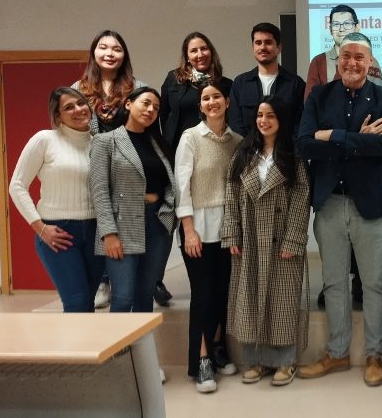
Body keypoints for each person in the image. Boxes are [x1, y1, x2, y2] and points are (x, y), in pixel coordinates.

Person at [297, 32, 382, 387]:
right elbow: (304, 144)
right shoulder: (319, 96)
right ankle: (337, 352)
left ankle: (374, 355)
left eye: (359, 57)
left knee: (373, 284)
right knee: (334, 283)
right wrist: (359, 137)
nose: (352, 63)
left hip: (370, 205)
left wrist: (333, 135)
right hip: (329, 203)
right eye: (346, 56)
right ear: (337, 60)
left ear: (370, 62)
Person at [221, 95, 311, 387]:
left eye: (271, 115)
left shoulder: (293, 157)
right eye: (260, 115)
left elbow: (301, 200)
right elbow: (231, 196)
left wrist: (293, 240)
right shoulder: (243, 154)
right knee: (248, 298)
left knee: (281, 302)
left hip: (281, 238)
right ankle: (255, 360)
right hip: (248, 237)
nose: (264, 121)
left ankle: (285, 361)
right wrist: (231, 233)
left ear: (281, 120)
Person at [72, 30, 150, 308]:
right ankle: (103, 279)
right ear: (93, 52)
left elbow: (146, 128)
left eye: (116, 49)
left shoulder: (137, 87)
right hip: (91, 165)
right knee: (99, 220)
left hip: (127, 168)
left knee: (126, 226)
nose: (109, 53)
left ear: (124, 54)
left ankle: (129, 281)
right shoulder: (78, 89)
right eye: (103, 47)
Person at [8, 87, 104, 312]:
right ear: (58, 116)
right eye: (68, 107)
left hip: (95, 231)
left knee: (88, 303)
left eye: (80, 103)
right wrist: (40, 228)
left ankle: (84, 338)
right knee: (77, 302)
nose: (78, 109)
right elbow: (17, 185)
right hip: (58, 232)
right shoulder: (45, 140)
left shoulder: (99, 143)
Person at [174, 82, 242, 393]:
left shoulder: (236, 141)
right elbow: (182, 186)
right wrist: (188, 229)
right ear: (200, 106)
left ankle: (216, 348)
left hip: (227, 228)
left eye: (216, 97)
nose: (211, 102)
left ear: (227, 101)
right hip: (197, 228)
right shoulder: (190, 137)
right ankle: (200, 360)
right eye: (205, 98)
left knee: (222, 292)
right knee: (202, 295)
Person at [88, 87, 176, 313]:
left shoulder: (158, 143)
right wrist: (108, 234)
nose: (151, 110)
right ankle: (119, 339)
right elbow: (99, 190)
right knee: (123, 296)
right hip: (121, 225)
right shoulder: (105, 141)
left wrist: (167, 210)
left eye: (156, 108)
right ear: (128, 104)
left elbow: (169, 183)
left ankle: (142, 338)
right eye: (146, 103)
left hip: (156, 223)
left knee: (145, 294)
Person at [228, 22, 305, 139]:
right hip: (249, 149)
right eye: (258, 43)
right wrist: (250, 147)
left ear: (279, 48)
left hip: (286, 149)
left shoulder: (295, 84)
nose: (263, 47)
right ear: (253, 48)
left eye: (268, 42)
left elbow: (299, 124)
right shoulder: (240, 84)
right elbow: (236, 125)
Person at [161, 32, 233, 151]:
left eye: (203, 49)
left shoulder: (226, 84)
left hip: (213, 148)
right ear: (187, 57)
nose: (200, 54)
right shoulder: (174, 79)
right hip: (177, 148)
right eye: (194, 51)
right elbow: (163, 114)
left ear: (211, 52)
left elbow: (230, 120)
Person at [304, 4, 382, 100]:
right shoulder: (319, 61)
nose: (341, 29)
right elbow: (310, 101)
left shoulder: (371, 61)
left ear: (357, 27)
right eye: (336, 24)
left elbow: (379, 99)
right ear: (330, 30)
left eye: (347, 24)